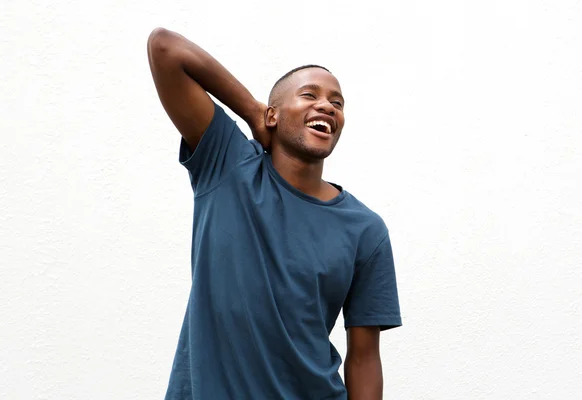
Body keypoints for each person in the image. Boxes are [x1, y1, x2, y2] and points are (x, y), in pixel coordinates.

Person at [147, 27, 402, 400]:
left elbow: (364, 359)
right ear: (274, 115)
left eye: (338, 102)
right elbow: (165, 48)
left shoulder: (366, 230)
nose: (327, 106)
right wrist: (253, 112)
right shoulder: (228, 165)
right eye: (310, 95)